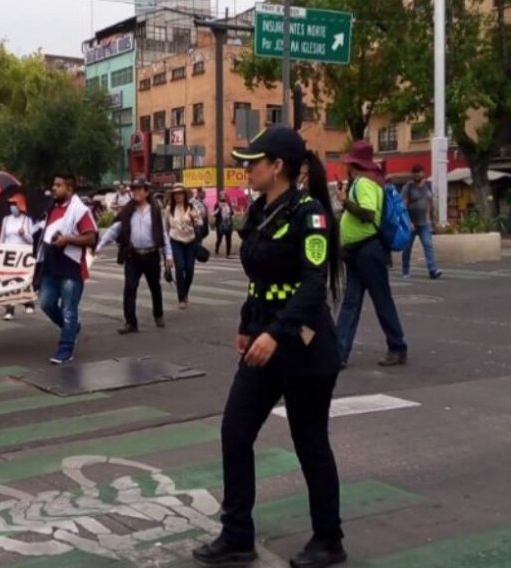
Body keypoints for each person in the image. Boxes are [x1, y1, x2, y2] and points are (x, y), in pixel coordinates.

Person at [193, 126, 345, 568]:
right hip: (262, 340)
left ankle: (329, 540)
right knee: (235, 431)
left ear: (277, 166)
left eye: (252, 163)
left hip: (302, 346)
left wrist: (274, 333)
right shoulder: (260, 211)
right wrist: (247, 323)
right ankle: (237, 534)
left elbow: (313, 285)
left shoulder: (309, 214)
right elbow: (261, 279)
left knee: (310, 442)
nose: (246, 170)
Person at [334, 141, 408, 368]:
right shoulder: (369, 181)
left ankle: (397, 347)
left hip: (367, 250)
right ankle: (339, 352)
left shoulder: (364, 183)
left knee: (377, 300)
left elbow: (368, 214)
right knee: (353, 302)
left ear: (353, 165)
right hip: (361, 251)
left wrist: (345, 201)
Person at [36, 172, 98, 365]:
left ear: (69, 189)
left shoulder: (79, 210)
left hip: (70, 269)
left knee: (69, 310)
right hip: (51, 268)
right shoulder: (51, 209)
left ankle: (65, 349)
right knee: (46, 303)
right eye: (54, 184)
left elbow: (91, 237)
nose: (54, 188)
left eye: (58, 185)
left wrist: (67, 240)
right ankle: (71, 329)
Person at [96, 178, 166, 334]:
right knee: (130, 288)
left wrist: (168, 256)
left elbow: (163, 234)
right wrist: (100, 246)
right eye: (134, 189)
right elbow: (114, 230)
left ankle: (158, 313)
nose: (136, 192)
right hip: (133, 255)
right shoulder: (128, 210)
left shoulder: (155, 211)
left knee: (155, 287)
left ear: (146, 192)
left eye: (139, 189)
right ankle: (130, 322)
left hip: (151, 254)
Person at [0, 194, 36, 320]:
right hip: (9, 255)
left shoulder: (27, 220)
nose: (12, 207)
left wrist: (24, 234)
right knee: (8, 282)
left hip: (23, 257)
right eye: (11, 204)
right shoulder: (6, 219)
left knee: (23, 281)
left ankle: (28, 302)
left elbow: (32, 240)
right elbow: (2, 238)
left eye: (14, 204)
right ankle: (9, 309)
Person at [165, 184, 203, 310]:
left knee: (190, 269)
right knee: (180, 267)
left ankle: (185, 292)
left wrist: (195, 218)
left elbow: (200, 223)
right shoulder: (169, 209)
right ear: (173, 196)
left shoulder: (191, 207)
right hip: (175, 240)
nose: (178, 196)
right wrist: (166, 250)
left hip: (190, 241)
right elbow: (166, 228)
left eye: (180, 193)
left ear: (184, 195)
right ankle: (181, 298)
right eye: (176, 194)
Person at [401, 165, 442, 279]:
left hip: (424, 222)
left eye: (418, 172)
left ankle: (432, 270)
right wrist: (408, 222)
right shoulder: (408, 187)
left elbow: (431, 205)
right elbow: (403, 206)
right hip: (411, 223)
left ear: (423, 173)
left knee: (428, 246)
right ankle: (405, 270)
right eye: (414, 173)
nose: (416, 175)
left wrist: (434, 221)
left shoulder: (428, 186)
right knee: (407, 248)